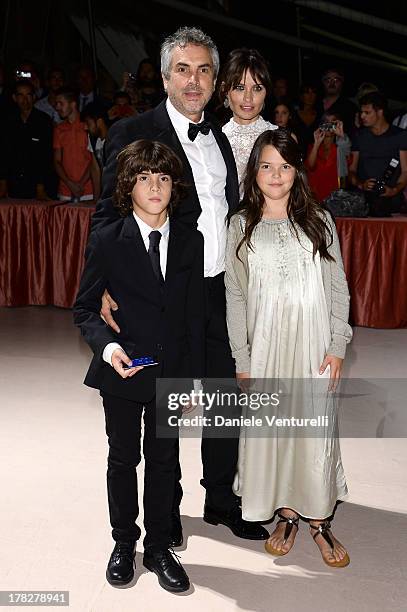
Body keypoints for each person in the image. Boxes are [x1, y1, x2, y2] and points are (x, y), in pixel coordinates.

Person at [91, 25, 269, 574]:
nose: (195, 81)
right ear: (165, 76)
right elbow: (107, 213)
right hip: (166, 296)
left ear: (215, 81)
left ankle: (219, 499)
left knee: (223, 395)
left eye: (205, 71)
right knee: (162, 408)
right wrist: (100, 286)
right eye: (183, 70)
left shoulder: (217, 136)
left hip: (221, 289)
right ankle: (161, 524)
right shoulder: (132, 131)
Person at [74, 139, 205, 592]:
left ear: (175, 186)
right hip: (123, 370)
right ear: (127, 184)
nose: (155, 186)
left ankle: (158, 547)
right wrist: (110, 350)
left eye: (164, 177)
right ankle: (123, 541)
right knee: (123, 458)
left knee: (165, 459)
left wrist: (192, 380)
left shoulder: (191, 240)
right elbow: (86, 309)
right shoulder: (108, 239)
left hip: (171, 371)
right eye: (145, 177)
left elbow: (194, 316)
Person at [225, 128, 352, 568]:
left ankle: (319, 519)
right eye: (266, 165)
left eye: (284, 165)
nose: (275, 175)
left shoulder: (319, 219)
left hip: (313, 345)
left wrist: (337, 344)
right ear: (253, 171)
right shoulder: (240, 225)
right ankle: (286, 515)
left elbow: (338, 287)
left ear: (296, 170)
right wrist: (242, 359)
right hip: (265, 348)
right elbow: (235, 296)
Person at [218, 48, 277, 192]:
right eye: (239, 88)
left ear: (266, 92)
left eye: (257, 88)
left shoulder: (279, 138)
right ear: (225, 90)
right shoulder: (214, 140)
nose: (248, 98)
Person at [349, 91, 407, 216]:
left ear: (380, 112)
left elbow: (405, 171)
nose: (362, 116)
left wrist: (394, 190)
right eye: (361, 112)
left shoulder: (400, 135)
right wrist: (361, 184)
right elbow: (351, 170)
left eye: (367, 112)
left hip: (393, 202)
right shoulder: (359, 136)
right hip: (363, 203)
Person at [0, 79, 53, 199]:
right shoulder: (7, 121)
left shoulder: (43, 120)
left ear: (34, 97)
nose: (25, 99)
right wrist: (3, 183)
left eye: (28, 95)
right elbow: (3, 154)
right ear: (14, 98)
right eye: (21, 95)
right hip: (14, 183)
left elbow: (46, 156)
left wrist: (40, 186)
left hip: (39, 184)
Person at [54, 87, 99, 202]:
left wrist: (80, 184)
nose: (57, 107)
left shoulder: (87, 125)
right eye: (56, 103)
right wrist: (70, 184)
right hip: (65, 190)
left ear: (73, 104)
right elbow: (56, 160)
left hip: (88, 189)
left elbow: (94, 160)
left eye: (61, 103)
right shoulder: (59, 129)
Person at [305, 112, 351, 202]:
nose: (329, 126)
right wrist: (316, 144)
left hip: (335, 198)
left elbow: (347, 156)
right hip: (316, 197)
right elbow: (310, 166)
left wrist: (341, 134)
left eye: (332, 123)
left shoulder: (341, 146)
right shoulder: (314, 147)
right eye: (326, 122)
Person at [321, 67, 357, 137]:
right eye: (328, 80)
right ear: (323, 82)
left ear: (342, 82)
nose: (332, 83)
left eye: (336, 80)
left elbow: (353, 133)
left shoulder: (350, 107)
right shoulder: (314, 104)